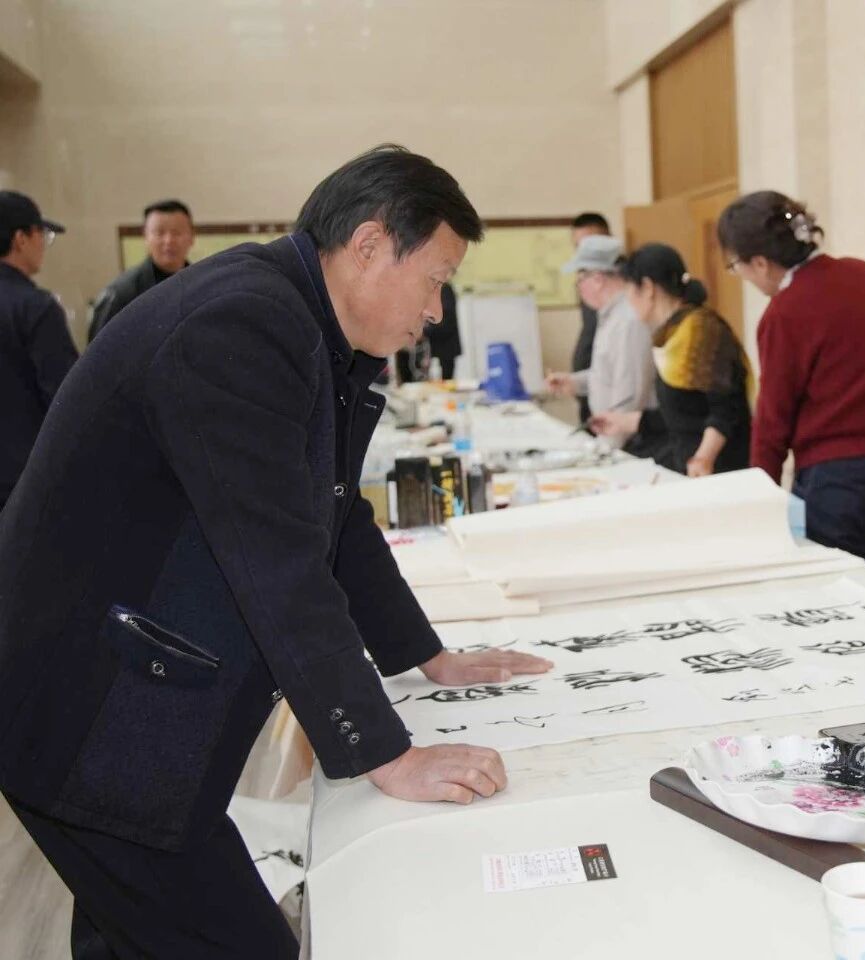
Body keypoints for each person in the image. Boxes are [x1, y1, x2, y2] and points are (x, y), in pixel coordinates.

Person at [0, 145, 553, 958]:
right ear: (369, 246)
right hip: (91, 714)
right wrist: (383, 753)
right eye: (435, 279)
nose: (437, 310)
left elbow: (334, 514)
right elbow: (277, 558)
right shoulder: (242, 325)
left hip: (119, 689)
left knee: (131, 931)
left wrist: (425, 655)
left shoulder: (300, 322)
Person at [717, 190, 865, 576]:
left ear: (760, 262)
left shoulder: (785, 314)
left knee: (840, 591)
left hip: (840, 481)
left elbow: (773, 423)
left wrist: (761, 501)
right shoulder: (862, 273)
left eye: (736, 266)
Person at [591, 243, 751, 477]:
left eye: (629, 292)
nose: (629, 302)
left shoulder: (701, 331)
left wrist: (703, 458)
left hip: (717, 471)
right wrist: (624, 422)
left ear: (648, 288)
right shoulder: (669, 334)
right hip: (687, 463)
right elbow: (681, 414)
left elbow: (725, 408)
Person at [0, 190, 77, 513]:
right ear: (20, 239)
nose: (43, 245)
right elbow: (66, 399)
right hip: (23, 483)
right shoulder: (36, 308)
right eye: (40, 235)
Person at [544, 234, 657, 449]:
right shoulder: (610, 316)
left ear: (597, 279)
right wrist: (575, 382)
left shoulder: (628, 320)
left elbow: (629, 396)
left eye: (579, 280)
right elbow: (608, 373)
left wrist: (608, 448)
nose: (578, 288)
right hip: (615, 437)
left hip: (630, 443)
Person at [87, 199, 196, 342]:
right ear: (145, 237)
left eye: (176, 233)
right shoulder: (121, 293)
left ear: (192, 237)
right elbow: (98, 350)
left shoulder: (203, 285)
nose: (169, 241)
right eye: (159, 233)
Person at [569, 212, 610, 421]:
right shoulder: (585, 281)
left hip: (609, 395)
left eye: (590, 246)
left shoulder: (624, 288)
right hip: (587, 384)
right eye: (579, 247)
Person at [395, 280, 460, 381]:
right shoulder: (414, 288)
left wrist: (424, 332)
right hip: (421, 347)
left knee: (444, 379)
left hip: (443, 345)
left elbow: (446, 320)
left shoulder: (444, 289)